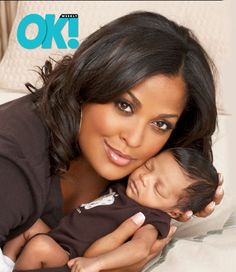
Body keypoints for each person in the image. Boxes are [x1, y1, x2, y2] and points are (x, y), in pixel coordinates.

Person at [0, 11, 223, 272]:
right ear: (89, 82)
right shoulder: (11, 162)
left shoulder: (146, 176)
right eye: (124, 105)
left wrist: (187, 195)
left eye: (160, 124)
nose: (135, 139)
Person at [6, 147, 219, 271]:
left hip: (70, 257)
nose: (145, 178)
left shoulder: (151, 218)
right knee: (30, 221)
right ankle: (6, 262)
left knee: (40, 246)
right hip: (58, 235)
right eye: (149, 166)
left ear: (174, 212)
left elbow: (140, 248)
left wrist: (95, 263)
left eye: (158, 188)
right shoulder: (125, 187)